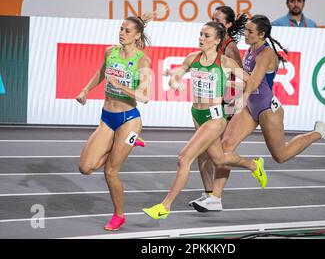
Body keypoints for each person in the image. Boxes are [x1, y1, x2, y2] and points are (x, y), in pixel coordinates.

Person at [191, 14, 325, 212]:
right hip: (249, 108)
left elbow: (253, 83)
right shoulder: (250, 50)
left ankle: (319, 132)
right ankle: (215, 198)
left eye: (250, 32)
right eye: (245, 30)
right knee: (226, 148)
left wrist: (238, 99)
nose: (245, 34)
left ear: (261, 35)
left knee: (281, 155)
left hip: (267, 109)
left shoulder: (266, 54)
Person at [142, 21, 267, 219]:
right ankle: (254, 165)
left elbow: (251, 79)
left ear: (217, 40)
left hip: (215, 117)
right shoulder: (193, 58)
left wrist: (243, 95)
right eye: (201, 34)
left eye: (207, 36)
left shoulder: (224, 62)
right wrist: (174, 81)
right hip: (197, 114)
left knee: (184, 158)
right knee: (219, 159)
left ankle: (164, 207)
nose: (201, 38)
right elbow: (176, 75)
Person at [76, 15, 152, 230]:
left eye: (127, 31)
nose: (122, 33)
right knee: (85, 168)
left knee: (110, 170)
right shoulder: (110, 52)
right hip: (107, 117)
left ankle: (119, 215)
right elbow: (101, 72)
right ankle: (126, 142)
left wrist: (119, 85)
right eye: (121, 29)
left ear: (137, 36)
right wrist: (85, 90)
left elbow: (145, 96)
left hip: (129, 119)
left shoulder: (142, 60)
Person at [189, 6, 247, 207]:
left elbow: (239, 78)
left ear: (228, 25)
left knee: (218, 154)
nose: (214, 22)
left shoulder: (229, 48)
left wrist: (231, 105)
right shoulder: (210, 44)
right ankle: (208, 194)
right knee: (202, 152)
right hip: (206, 106)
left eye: (219, 20)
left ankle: (216, 197)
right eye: (212, 18)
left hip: (224, 107)